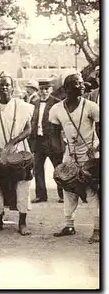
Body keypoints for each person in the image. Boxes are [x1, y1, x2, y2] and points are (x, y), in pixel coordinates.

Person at [0, 73, 34, 235]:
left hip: (19, 150)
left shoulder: (22, 105)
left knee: (23, 184)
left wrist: (13, 142)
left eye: (7, 85)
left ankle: (22, 223)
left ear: (12, 87)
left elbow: (28, 129)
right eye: (1, 85)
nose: (4, 87)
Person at [49, 73, 100, 243]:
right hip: (70, 154)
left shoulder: (92, 106)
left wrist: (97, 149)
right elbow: (54, 134)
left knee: (91, 191)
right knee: (68, 189)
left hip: (90, 154)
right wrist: (60, 155)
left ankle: (98, 228)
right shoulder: (56, 109)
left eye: (82, 83)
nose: (83, 86)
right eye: (77, 84)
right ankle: (69, 225)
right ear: (67, 89)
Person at [28, 79, 64, 203]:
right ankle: (41, 195)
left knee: (58, 168)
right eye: (41, 89)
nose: (43, 92)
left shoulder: (57, 103)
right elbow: (31, 121)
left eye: (46, 89)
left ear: (51, 90)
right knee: (37, 168)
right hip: (38, 141)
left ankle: (63, 195)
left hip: (52, 141)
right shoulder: (34, 102)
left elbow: (62, 122)